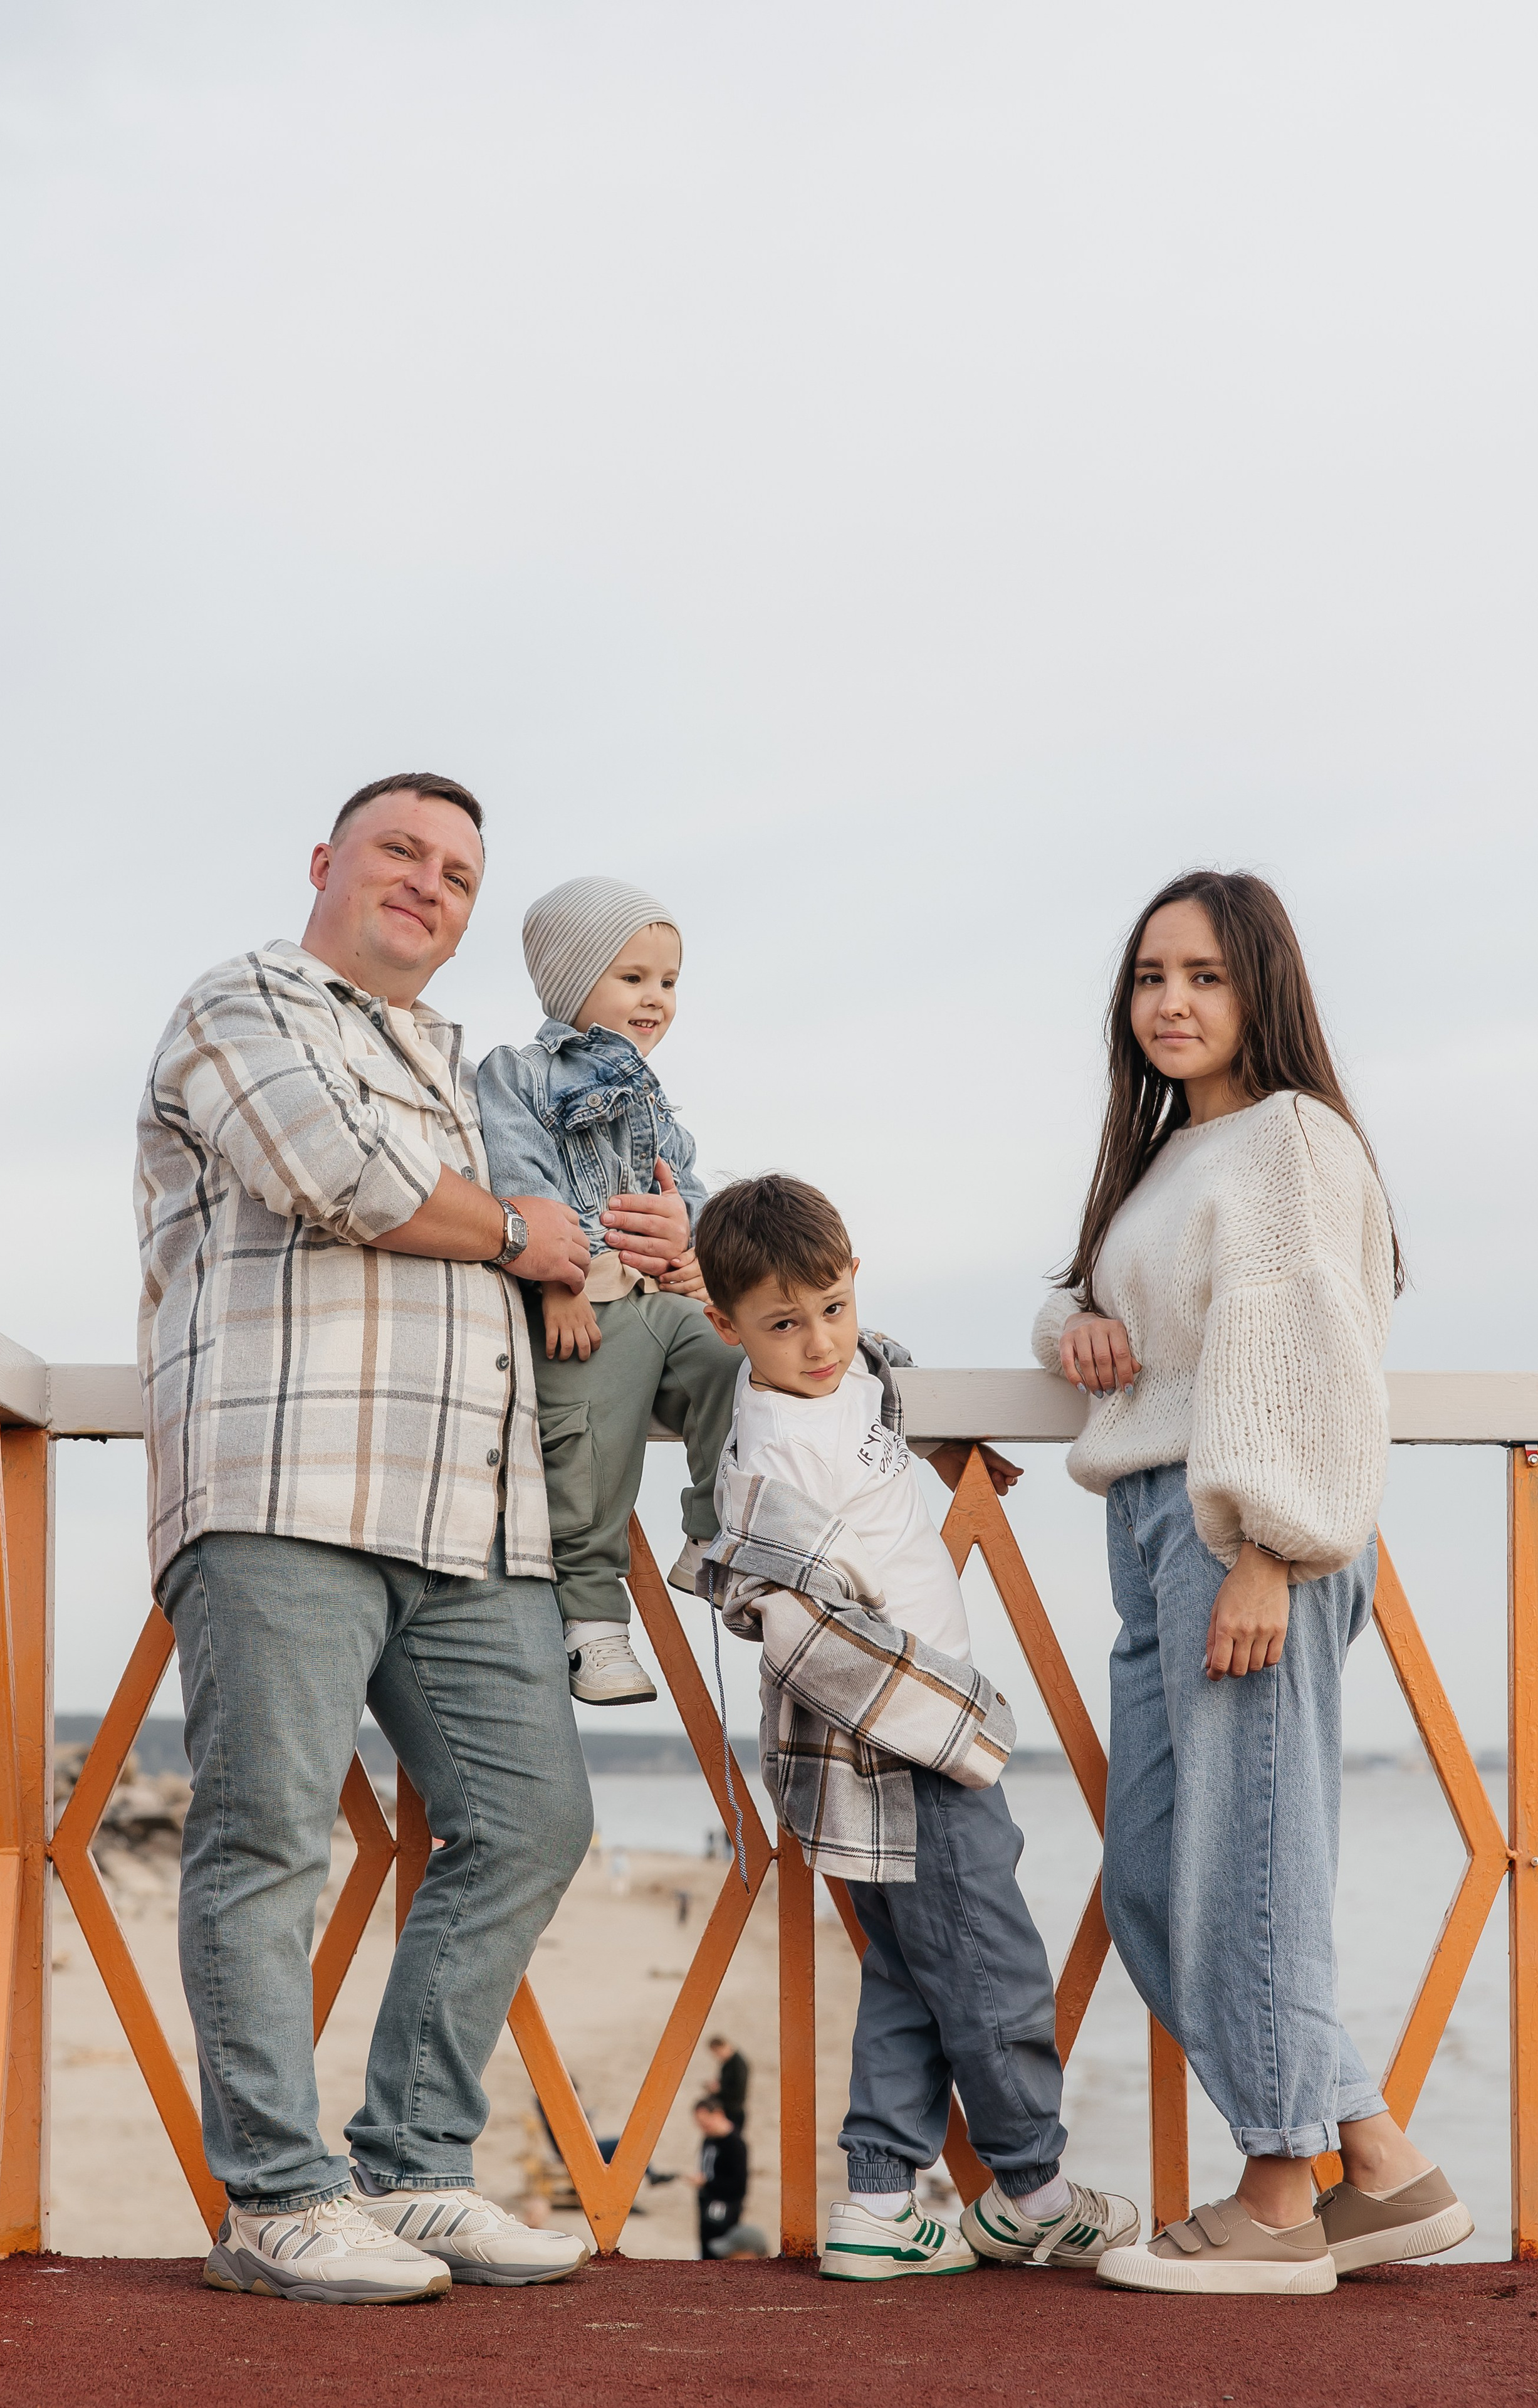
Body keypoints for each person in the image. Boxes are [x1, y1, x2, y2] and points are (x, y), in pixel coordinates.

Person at [137, 773, 600, 2305]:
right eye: (402, 850)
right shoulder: (242, 999)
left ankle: (408, 2168)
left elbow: (552, 1217)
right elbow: (337, 1176)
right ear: (326, 860)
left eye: (460, 872)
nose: (429, 883)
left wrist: (598, 1240)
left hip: (468, 1506)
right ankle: (275, 2196)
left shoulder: (470, 1067)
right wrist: (528, 1228)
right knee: (267, 1834)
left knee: (529, 1816)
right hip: (285, 1479)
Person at [1033, 868, 1473, 2296]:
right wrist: (1072, 1320)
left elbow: (1305, 1352)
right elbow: (1109, 1290)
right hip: (1152, 1526)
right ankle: (1383, 2162)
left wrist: (1269, 1550)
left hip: (1243, 1532)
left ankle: (1281, 2192)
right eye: (1150, 975)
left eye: (1203, 976)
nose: (1168, 1001)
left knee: (1250, 1866)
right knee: (1161, 1874)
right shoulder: (1171, 1152)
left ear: (1258, 991)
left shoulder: (1292, 1137)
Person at [696, 1175, 1138, 2283]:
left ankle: (880, 2202)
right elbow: (805, 1638)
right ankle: (1033, 2188)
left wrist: (944, 1443)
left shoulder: (854, 1377)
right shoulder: (767, 1468)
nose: (820, 1343)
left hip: (903, 1752)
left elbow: (872, 1370)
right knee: (993, 1968)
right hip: (903, 1753)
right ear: (725, 1326)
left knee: (909, 1975)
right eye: (785, 1325)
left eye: (834, 1308)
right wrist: (962, 1729)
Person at [477, 878, 743, 1705]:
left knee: (737, 1366)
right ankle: (592, 1621)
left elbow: (692, 1193)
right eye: (634, 978)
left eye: (668, 982)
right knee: (589, 1446)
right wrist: (557, 1283)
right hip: (582, 1304)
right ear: (571, 979)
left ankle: (715, 1534)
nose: (657, 999)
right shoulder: (518, 1073)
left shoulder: (652, 1100)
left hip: (661, 1299)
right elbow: (519, 1178)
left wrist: (692, 1239)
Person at [687, 2096, 749, 2258]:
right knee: (706, 2249)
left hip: (725, 2208)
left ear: (718, 2114)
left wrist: (707, 2183)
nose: (703, 2127)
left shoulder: (735, 2144)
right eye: (700, 2124)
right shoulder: (709, 2139)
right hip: (707, 2203)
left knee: (720, 2253)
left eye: (705, 2122)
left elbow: (739, 2185)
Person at [707, 2034, 748, 2131]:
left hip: (733, 2111)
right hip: (727, 2109)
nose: (717, 2056)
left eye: (716, 2052)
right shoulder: (728, 2063)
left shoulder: (738, 2064)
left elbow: (738, 2090)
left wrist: (718, 2090)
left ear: (722, 2047)